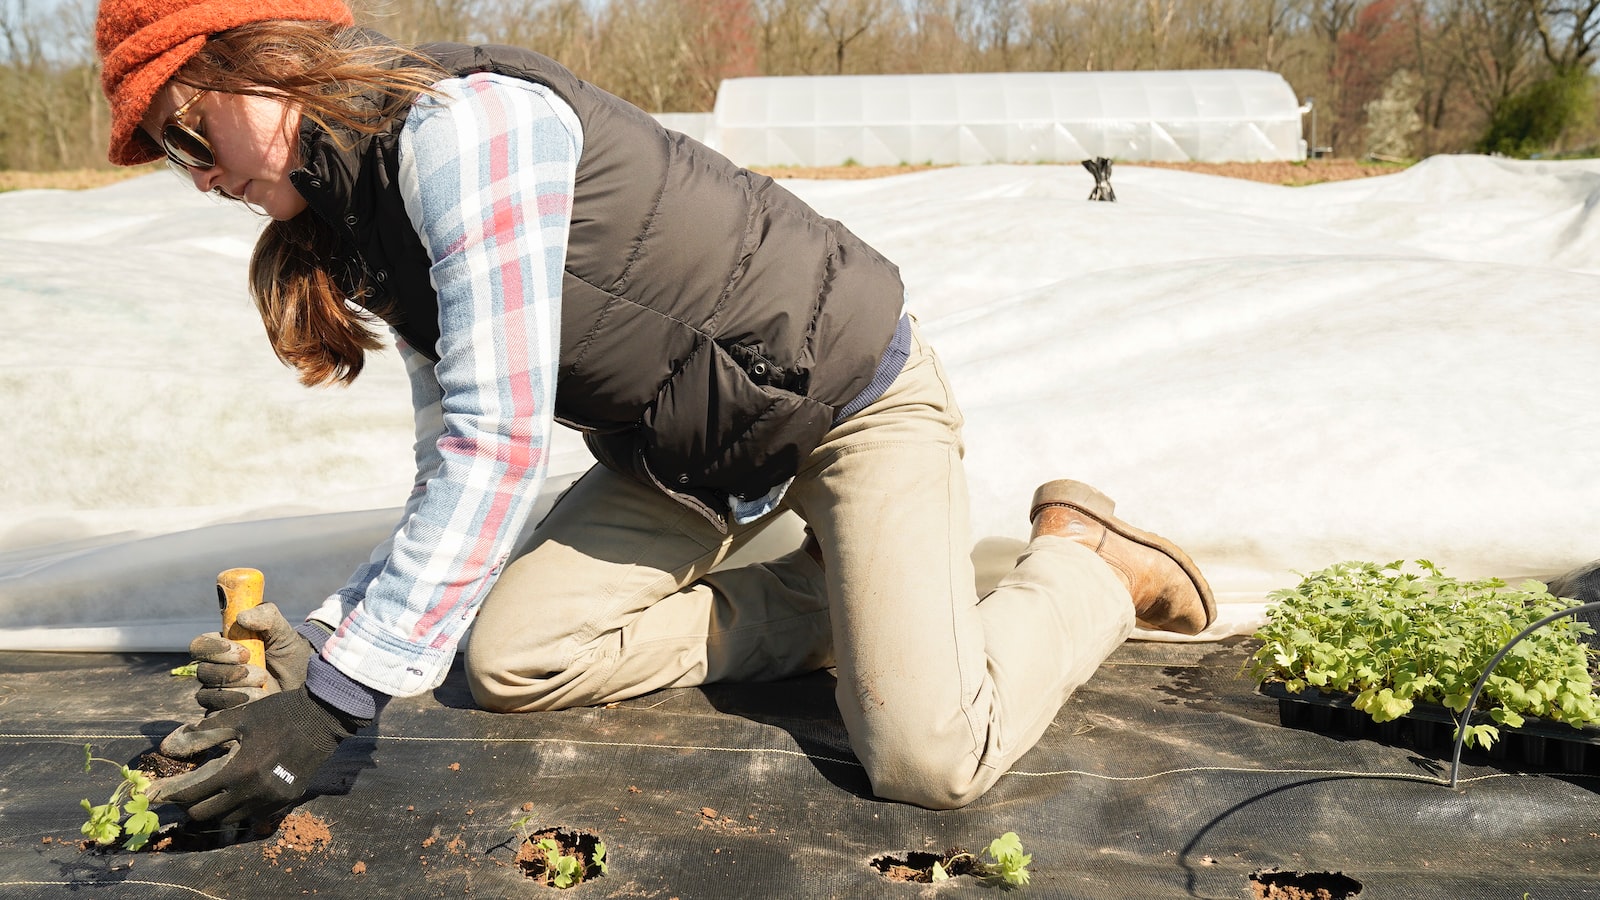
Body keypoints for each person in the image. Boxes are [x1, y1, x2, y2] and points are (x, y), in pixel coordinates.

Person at [95, 0, 1216, 823]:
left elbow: (501, 439)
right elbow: (452, 448)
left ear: (267, 60)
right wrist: (341, 642)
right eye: (167, 159)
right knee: (506, 659)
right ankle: (865, 599)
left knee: (929, 759)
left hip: (846, 405)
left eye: (188, 134)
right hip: (696, 457)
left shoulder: (460, 130)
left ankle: (1082, 566)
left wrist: (336, 705)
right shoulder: (359, 216)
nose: (194, 176)